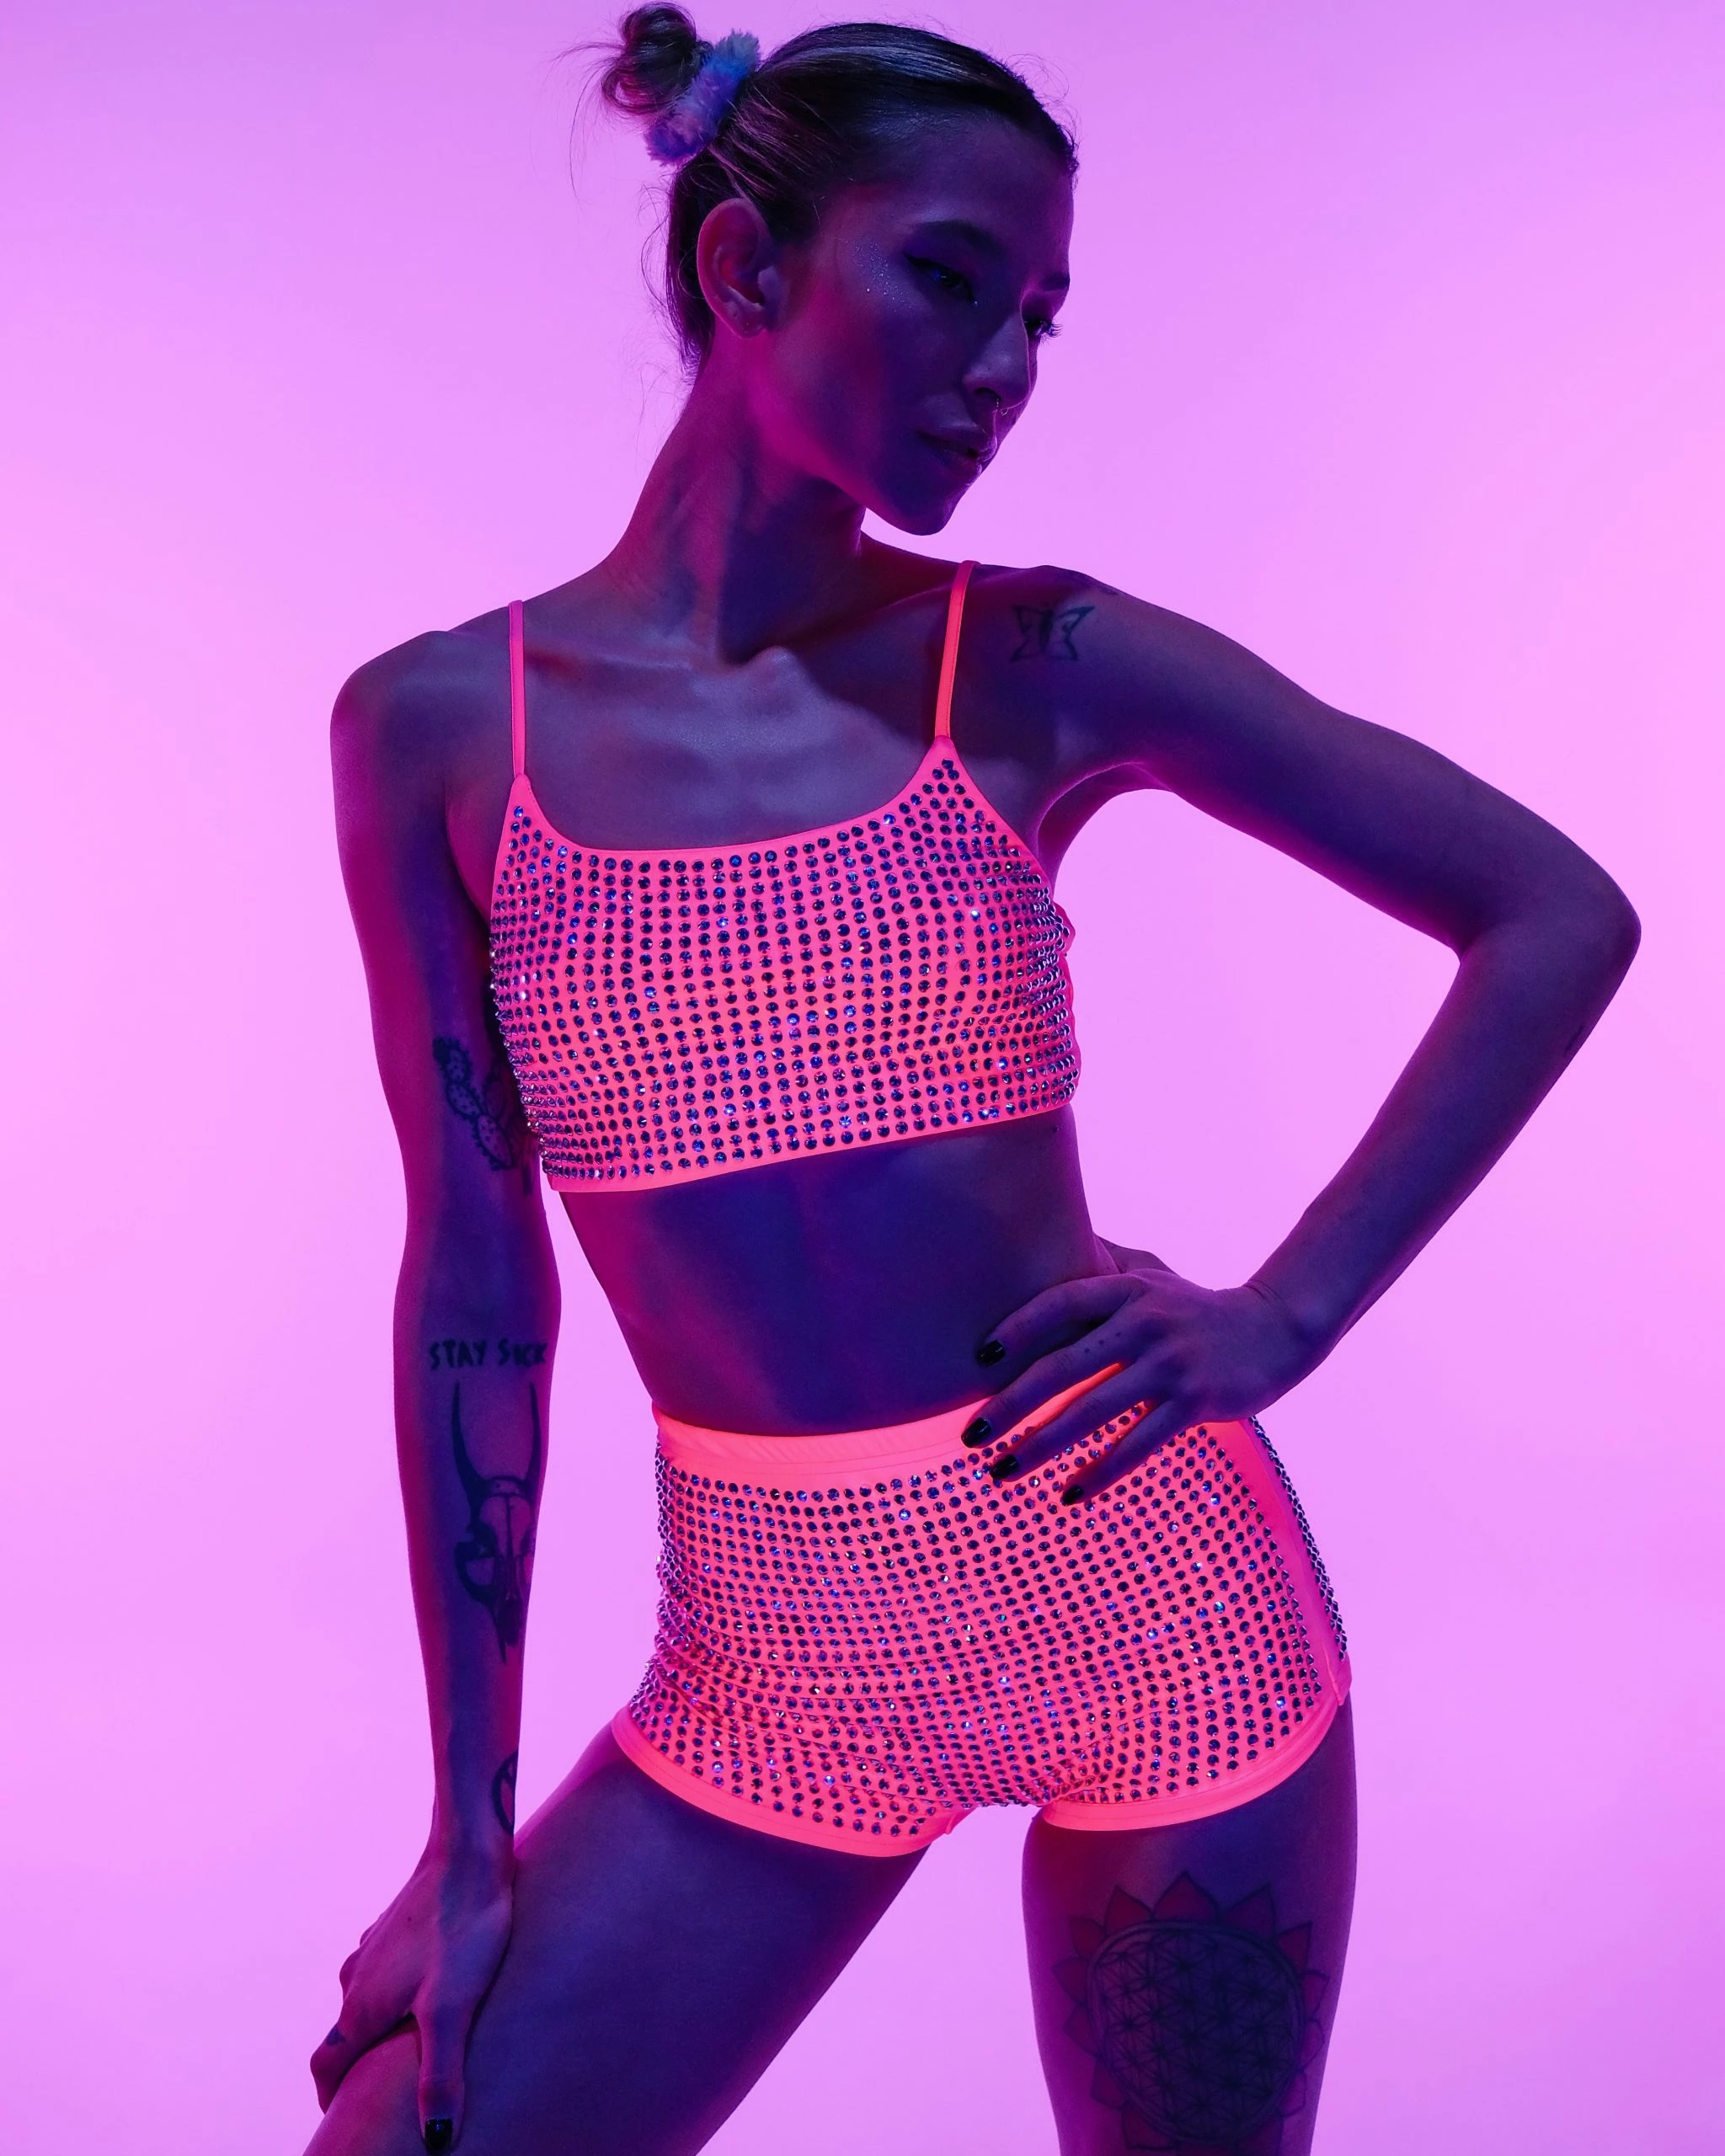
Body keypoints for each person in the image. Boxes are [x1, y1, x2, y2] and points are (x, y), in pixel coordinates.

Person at [304, 13, 1637, 2153]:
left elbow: (1552, 912)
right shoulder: (443, 731)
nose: (1005, 366)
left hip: (1158, 1612)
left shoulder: (1028, 661)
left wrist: (1285, 1311)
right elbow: (476, 1286)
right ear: (746, 264)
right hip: (775, 1663)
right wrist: (466, 1839)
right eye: (950, 278)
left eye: (1042, 316)